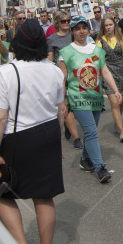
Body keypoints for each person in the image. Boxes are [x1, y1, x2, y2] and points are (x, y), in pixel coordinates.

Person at [0, 18, 66, 244]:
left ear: (17, 44)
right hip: (49, 133)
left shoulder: (7, 71)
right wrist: (58, 141)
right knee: (44, 195)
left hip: (18, 136)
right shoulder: (54, 69)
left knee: (2, 190)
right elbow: (60, 109)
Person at [58, 15, 122, 183]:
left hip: (95, 97)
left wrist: (116, 90)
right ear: (72, 31)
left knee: (90, 131)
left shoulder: (97, 50)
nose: (81, 31)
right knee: (92, 132)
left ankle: (85, 160)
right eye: (77, 28)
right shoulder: (65, 53)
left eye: (84, 28)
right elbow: (62, 79)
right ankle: (100, 167)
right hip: (77, 98)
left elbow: (105, 71)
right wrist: (62, 102)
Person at [46, 10, 82, 150]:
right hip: (60, 75)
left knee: (76, 104)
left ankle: (69, 125)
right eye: (63, 21)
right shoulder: (52, 39)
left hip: (76, 74)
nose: (66, 23)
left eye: (68, 20)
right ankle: (76, 138)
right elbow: (50, 59)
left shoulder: (74, 36)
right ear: (57, 23)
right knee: (66, 106)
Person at [98, 15, 123, 143]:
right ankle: (121, 131)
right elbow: (97, 59)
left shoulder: (121, 39)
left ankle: (117, 122)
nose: (108, 27)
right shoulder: (100, 41)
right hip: (108, 74)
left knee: (120, 102)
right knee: (114, 103)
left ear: (114, 25)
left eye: (110, 24)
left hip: (121, 73)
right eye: (106, 25)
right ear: (103, 27)